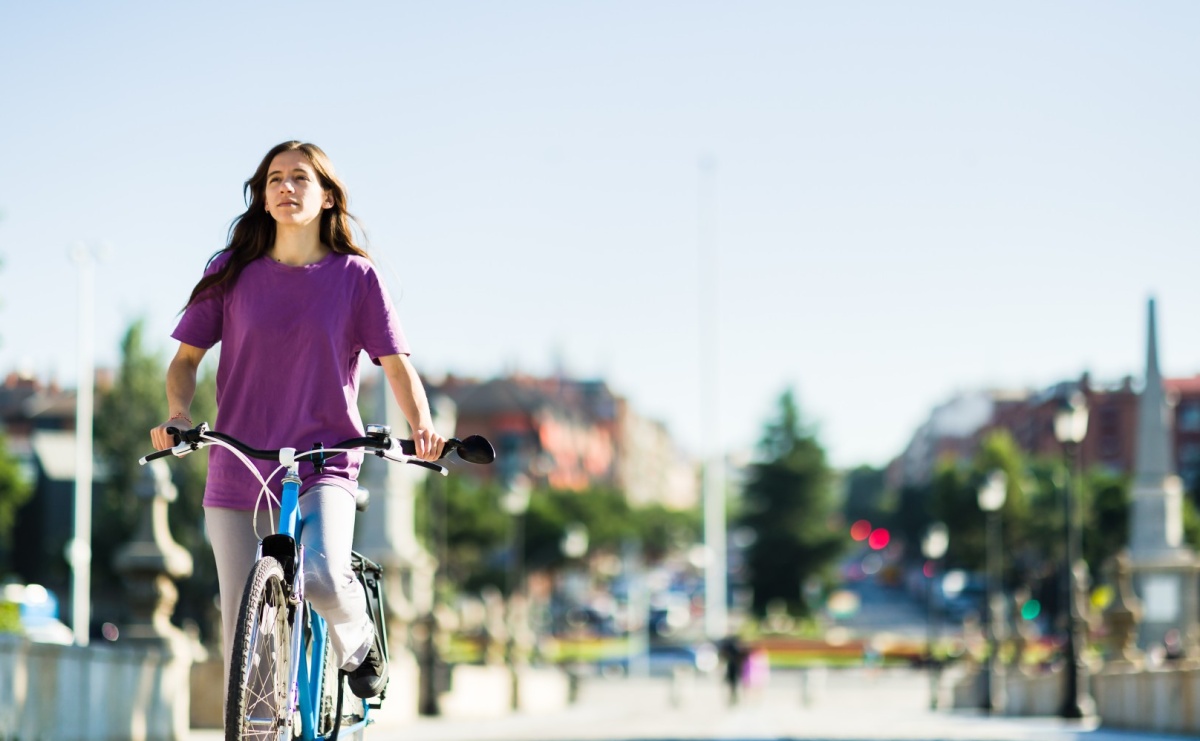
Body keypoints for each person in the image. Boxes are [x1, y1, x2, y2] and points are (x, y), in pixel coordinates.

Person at [149, 140, 445, 700]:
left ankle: (359, 642)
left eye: (300, 178)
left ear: (327, 196)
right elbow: (185, 361)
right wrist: (178, 415)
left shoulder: (355, 277)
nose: (286, 187)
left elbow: (396, 366)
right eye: (275, 179)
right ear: (263, 199)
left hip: (323, 460)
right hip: (240, 464)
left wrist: (423, 427)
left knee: (324, 578)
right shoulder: (230, 272)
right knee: (244, 639)